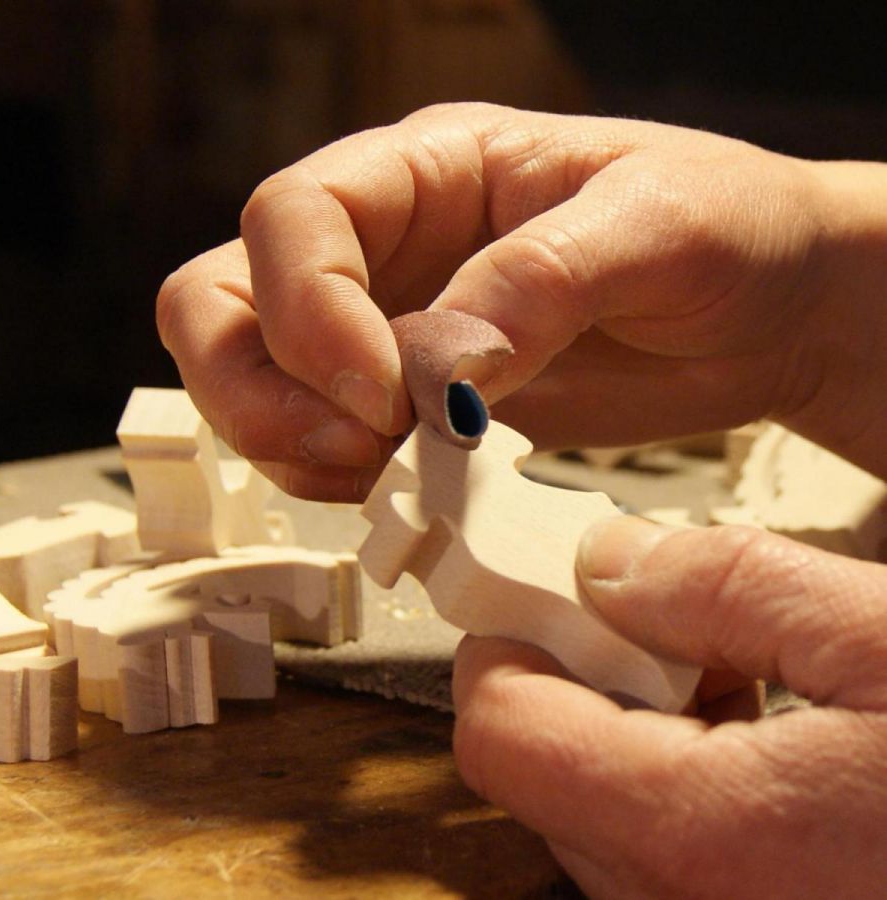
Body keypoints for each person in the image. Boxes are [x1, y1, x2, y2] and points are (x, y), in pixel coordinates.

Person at [156, 103, 887, 898]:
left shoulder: (468, 489)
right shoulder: (440, 493)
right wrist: (819, 297)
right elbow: (402, 533)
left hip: (581, 568)